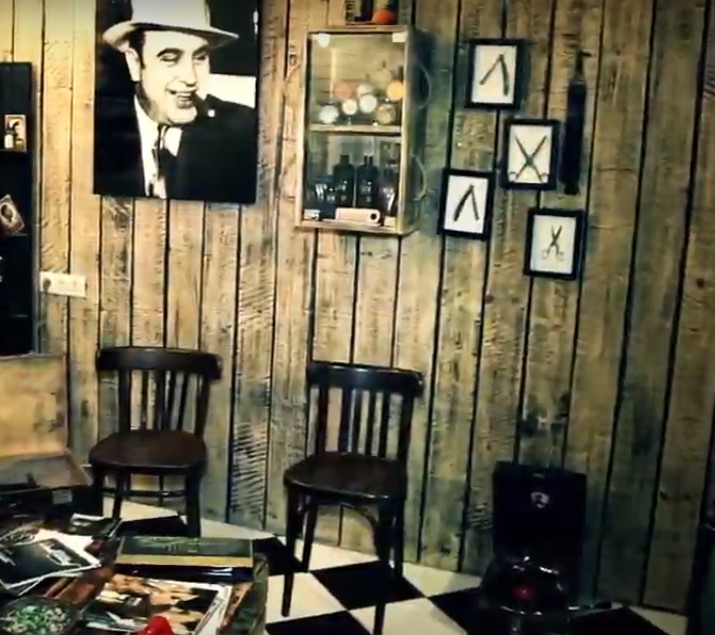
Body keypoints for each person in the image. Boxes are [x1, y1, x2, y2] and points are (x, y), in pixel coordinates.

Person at [94, 0, 258, 204]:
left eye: (200, 57)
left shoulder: (243, 134)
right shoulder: (94, 132)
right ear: (134, 63)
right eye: (170, 58)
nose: (190, 78)